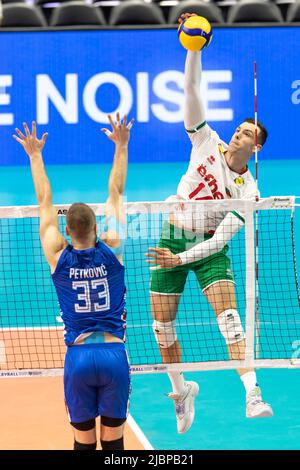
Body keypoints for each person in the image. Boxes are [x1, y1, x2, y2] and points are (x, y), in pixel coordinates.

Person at [146, 13, 273, 434]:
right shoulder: (205, 140)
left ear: (256, 147)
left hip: (205, 249)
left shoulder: (248, 193)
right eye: (239, 128)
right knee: (162, 327)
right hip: (173, 233)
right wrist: (192, 51)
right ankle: (181, 390)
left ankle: (253, 394)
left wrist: (178, 258)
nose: (239, 133)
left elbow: (220, 241)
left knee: (230, 320)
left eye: (248, 133)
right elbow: (191, 89)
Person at [13, 113, 134, 450]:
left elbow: (44, 202)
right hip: (113, 354)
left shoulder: (57, 254)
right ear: (97, 227)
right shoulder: (113, 248)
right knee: (114, 443)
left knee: (83, 443)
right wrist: (121, 146)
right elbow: (117, 191)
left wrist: (35, 155)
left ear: (68, 231)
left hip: (78, 358)